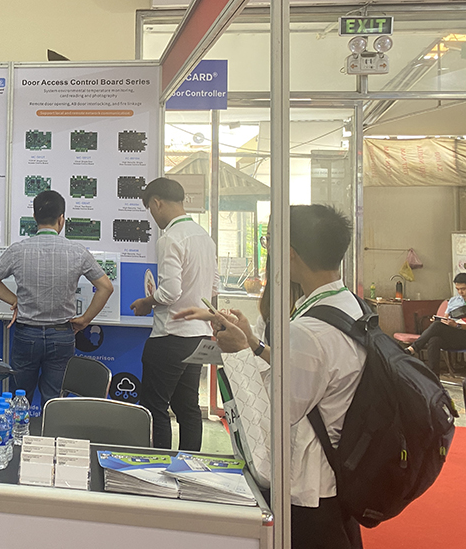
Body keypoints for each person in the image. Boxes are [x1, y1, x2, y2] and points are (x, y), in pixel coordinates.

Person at [193, 204, 366, 549]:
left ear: (289, 252)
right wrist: (252, 343)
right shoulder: (350, 306)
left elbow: (275, 415)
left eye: (270, 240)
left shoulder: (309, 330)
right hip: (337, 477)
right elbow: (310, 374)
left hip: (307, 488)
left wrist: (238, 352)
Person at [0, 189, 113, 403]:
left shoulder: (18, 250)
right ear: (62, 219)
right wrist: (85, 320)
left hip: (26, 334)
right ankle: (51, 426)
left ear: (35, 217)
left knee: (19, 398)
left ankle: (18, 426)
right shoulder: (77, 251)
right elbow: (106, 287)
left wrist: (16, 301)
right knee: (55, 400)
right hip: (62, 334)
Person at [130, 177, 217, 451]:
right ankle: (190, 465)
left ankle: (158, 466)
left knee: (154, 407)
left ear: (157, 203)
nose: (152, 216)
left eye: (150, 209)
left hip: (170, 337)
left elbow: (170, 292)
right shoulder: (204, 237)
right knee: (187, 407)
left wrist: (147, 302)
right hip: (198, 336)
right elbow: (213, 288)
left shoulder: (170, 238)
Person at [407, 273, 466, 375]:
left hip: (463, 334)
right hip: (454, 335)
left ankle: (413, 348)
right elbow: (446, 318)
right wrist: (441, 320)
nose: (460, 292)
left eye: (463, 289)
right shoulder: (453, 301)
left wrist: (457, 325)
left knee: (437, 326)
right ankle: (434, 377)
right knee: (434, 340)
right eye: (458, 289)